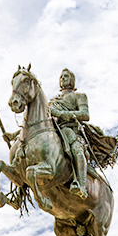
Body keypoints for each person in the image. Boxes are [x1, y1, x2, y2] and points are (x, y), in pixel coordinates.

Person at [49, 68, 90, 197]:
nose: (63, 79)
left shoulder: (79, 96)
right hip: (54, 131)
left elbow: (85, 114)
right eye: (61, 77)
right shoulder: (52, 101)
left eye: (66, 76)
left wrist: (62, 114)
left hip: (71, 131)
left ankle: (81, 186)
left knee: (77, 149)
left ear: (72, 80)